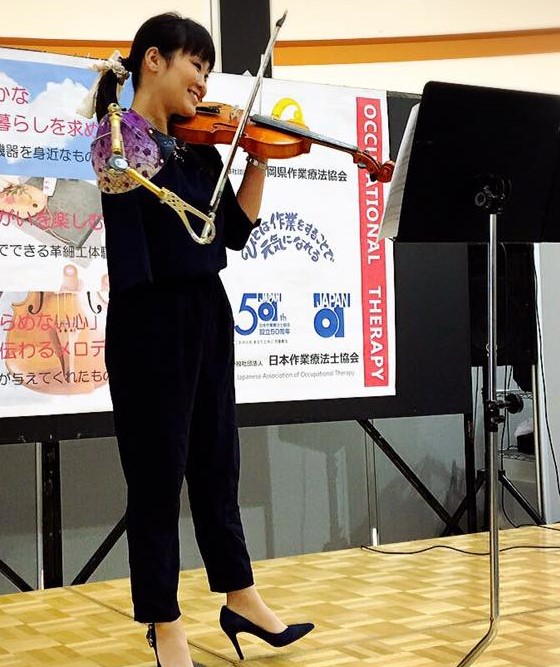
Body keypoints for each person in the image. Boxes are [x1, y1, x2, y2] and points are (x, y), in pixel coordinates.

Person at [91, 12, 313, 667]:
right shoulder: (118, 137)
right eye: (198, 64)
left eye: (210, 72)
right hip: (149, 317)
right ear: (153, 60)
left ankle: (240, 596)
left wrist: (261, 157)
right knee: (158, 476)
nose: (204, 82)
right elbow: (139, 235)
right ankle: (164, 623)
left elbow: (234, 231)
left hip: (206, 311)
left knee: (218, 463)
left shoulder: (201, 146)